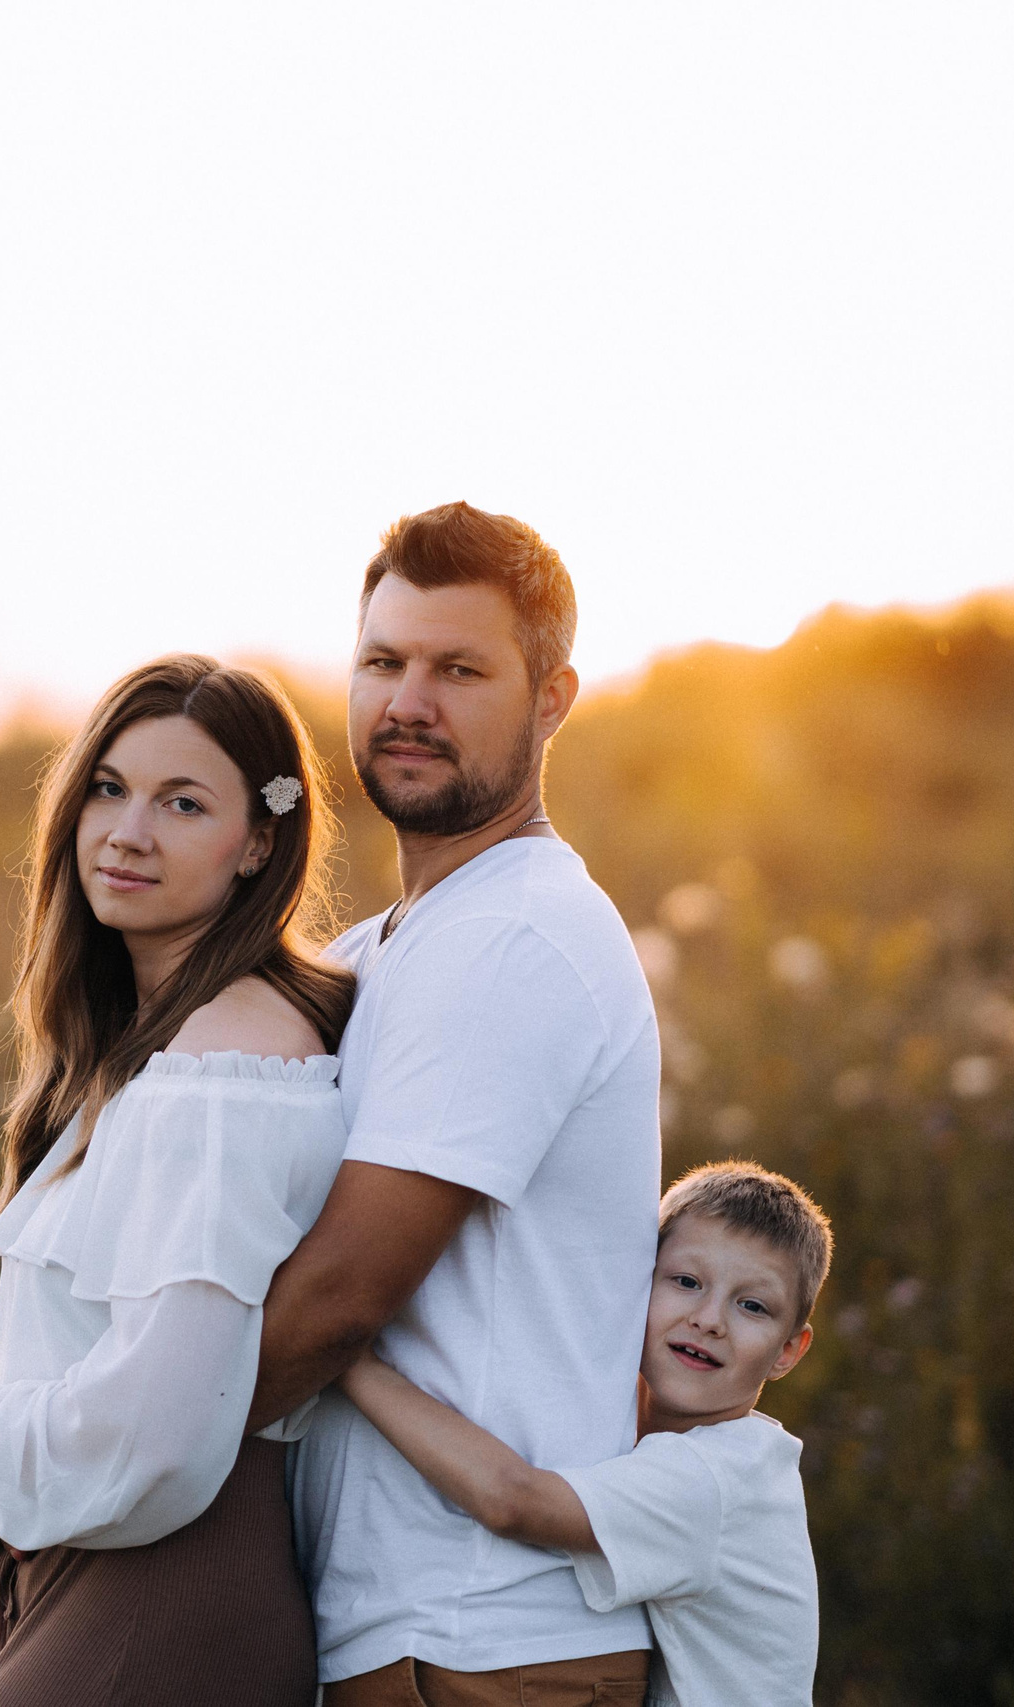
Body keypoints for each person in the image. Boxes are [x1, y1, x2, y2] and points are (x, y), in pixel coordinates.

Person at [0, 654, 355, 1706]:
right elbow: (120, 1333)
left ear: (259, 841)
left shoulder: (224, 1073)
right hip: (91, 1564)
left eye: (183, 803)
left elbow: (164, 1426)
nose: (128, 831)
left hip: (165, 1580)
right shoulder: (149, 1048)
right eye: (108, 787)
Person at [248, 501, 666, 1701]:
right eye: (381, 661)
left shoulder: (514, 937)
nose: (406, 703)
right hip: (410, 1632)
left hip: (486, 1643)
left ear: (552, 699)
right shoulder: (386, 949)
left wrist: (61, 1463)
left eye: (458, 669)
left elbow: (335, 1302)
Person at [337, 1162, 831, 1707]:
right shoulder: (692, 1456)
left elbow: (513, 1501)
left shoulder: (714, 1478)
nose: (710, 1319)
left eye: (752, 1306)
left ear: (788, 1350)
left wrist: (348, 1360)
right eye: (687, 1282)